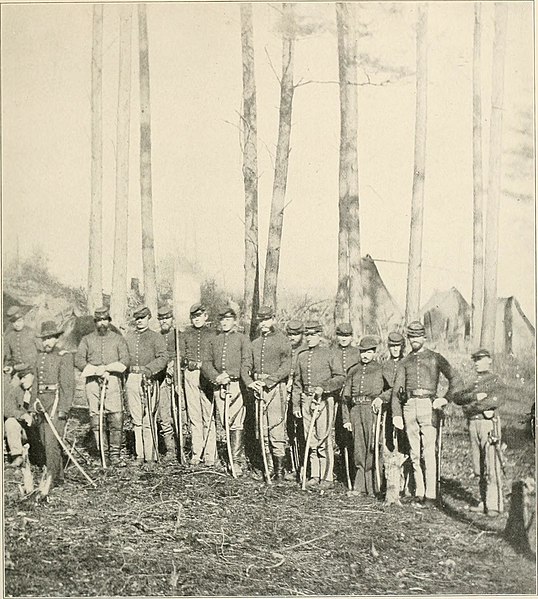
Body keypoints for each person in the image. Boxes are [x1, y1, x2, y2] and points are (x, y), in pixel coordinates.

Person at [391, 321, 457, 506]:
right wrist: (396, 414)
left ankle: (431, 495)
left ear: (424, 337)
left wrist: (445, 398)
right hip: (409, 407)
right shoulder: (405, 362)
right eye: (411, 336)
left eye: (417, 336)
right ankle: (418, 491)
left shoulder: (435, 358)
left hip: (429, 406)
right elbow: (398, 390)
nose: (414, 340)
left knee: (429, 451)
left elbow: (455, 378)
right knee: (414, 452)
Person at [75, 307, 130, 466]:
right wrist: (96, 370)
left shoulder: (117, 339)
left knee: (116, 416)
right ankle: (103, 455)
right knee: (96, 418)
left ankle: (115, 455)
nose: (102, 323)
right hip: (92, 381)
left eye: (105, 320)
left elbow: (125, 360)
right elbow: (79, 360)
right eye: (99, 320)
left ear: (109, 321)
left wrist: (108, 368)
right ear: (95, 322)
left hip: (112, 379)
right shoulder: (86, 339)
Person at [292, 320, 344, 490]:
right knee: (310, 439)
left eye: (313, 334)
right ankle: (315, 475)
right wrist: (296, 405)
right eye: (307, 334)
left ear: (319, 336)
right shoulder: (301, 356)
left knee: (323, 438)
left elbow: (340, 378)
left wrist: (324, 387)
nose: (309, 338)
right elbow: (297, 383)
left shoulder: (329, 354)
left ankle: (327, 477)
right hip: (306, 400)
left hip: (324, 400)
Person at [452, 348, 504, 517]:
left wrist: (472, 407)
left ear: (489, 360)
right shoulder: (472, 382)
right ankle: (484, 502)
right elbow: (458, 398)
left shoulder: (495, 380)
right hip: (473, 424)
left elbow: (497, 400)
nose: (477, 363)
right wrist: (475, 398)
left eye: (481, 359)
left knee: (491, 463)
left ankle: (494, 505)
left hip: (488, 424)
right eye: (475, 360)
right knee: (478, 465)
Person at [202, 306, 253, 476]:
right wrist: (216, 377)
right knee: (225, 421)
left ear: (234, 321)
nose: (225, 323)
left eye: (228, 319)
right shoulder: (214, 341)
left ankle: (236, 461)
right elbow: (206, 363)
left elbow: (246, 362)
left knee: (237, 421)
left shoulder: (242, 339)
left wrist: (232, 375)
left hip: (236, 385)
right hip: (219, 385)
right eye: (222, 320)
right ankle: (232, 455)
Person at [30, 321, 75, 488]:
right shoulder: (40, 357)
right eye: (44, 339)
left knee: (51, 442)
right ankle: (58, 475)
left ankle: (52, 478)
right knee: (44, 440)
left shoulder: (64, 356)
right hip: (41, 404)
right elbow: (35, 384)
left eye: (50, 339)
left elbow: (67, 386)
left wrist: (64, 408)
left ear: (56, 339)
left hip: (56, 404)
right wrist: (32, 406)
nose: (46, 342)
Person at [250, 306, 292, 481]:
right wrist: (252, 382)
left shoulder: (283, 341)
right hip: (258, 388)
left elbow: (286, 366)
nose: (263, 324)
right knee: (262, 428)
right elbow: (249, 365)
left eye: (266, 320)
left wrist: (269, 381)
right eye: (260, 321)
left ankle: (279, 471)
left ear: (273, 319)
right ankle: (267, 467)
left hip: (275, 387)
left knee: (276, 427)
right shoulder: (255, 343)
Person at [342, 336, 387, 496]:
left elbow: (392, 390)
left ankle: (374, 487)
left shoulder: (381, 369)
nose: (365, 355)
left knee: (373, 447)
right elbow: (345, 398)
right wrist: (346, 419)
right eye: (362, 352)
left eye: (369, 352)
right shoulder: (353, 370)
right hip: (356, 411)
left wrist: (381, 399)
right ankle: (359, 487)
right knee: (358, 449)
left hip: (372, 411)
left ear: (374, 352)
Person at [125, 306, 168, 467]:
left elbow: (163, 357)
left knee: (148, 419)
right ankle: (139, 454)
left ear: (148, 318)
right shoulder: (129, 337)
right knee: (136, 419)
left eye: (142, 318)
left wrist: (149, 370)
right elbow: (123, 356)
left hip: (149, 379)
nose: (139, 321)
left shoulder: (156, 337)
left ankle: (150, 456)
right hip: (132, 378)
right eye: (137, 318)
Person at [177, 303, 217, 467]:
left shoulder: (213, 333)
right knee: (194, 416)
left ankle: (210, 454)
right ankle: (196, 453)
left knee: (208, 415)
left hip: (207, 375)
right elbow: (180, 358)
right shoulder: (185, 334)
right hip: (191, 375)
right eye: (194, 316)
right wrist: (178, 382)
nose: (196, 319)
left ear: (205, 316)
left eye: (199, 316)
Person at [381, 331, 411, 502]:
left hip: (406, 409)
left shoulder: (408, 363)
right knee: (390, 446)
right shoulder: (384, 366)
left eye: (397, 346)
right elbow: (384, 389)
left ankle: (406, 485)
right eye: (391, 346)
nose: (394, 349)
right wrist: (381, 398)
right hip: (389, 411)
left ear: (402, 347)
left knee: (407, 446)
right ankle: (391, 485)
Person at [332, 323, 360, 485]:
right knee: (339, 436)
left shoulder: (357, 353)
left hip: (351, 400)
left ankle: (354, 471)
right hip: (335, 398)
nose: (344, 339)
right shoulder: (332, 352)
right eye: (341, 336)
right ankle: (342, 470)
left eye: (347, 336)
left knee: (352, 434)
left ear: (351, 337)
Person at [157, 305, 179, 462]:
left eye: (167, 318)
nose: (164, 321)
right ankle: (170, 449)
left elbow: (183, 355)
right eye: (161, 319)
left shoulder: (179, 336)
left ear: (172, 319)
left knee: (180, 414)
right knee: (164, 415)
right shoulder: (157, 337)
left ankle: (183, 446)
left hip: (178, 380)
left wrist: (174, 366)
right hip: (162, 380)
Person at [285, 320, 307, 480]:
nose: (293, 337)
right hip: (286, 394)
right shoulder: (286, 349)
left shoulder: (306, 351)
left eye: (296, 334)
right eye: (290, 334)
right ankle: (294, 466)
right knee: (290, 430)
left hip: (300, 395)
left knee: (302, 431)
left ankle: (305, 467)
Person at [3, 364, 34, 467]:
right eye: (20, 378)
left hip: (39, 428)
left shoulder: (41, 391)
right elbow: (7, 409)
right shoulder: (17, 390)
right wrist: (22, 415)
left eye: (25, 377)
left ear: (33, 376)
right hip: (24, 429)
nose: (22, 381)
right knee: (10, 422)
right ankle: (17, 456)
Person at [3, 306, 40, 373]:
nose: (17, 324)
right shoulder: (9, 336)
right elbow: (8, 357)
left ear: (23, 319)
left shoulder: (32, 332)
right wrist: (8, 366)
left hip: (32, 371)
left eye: (19, 321)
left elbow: (42, 350)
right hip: (16, 371)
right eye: (14, 322)